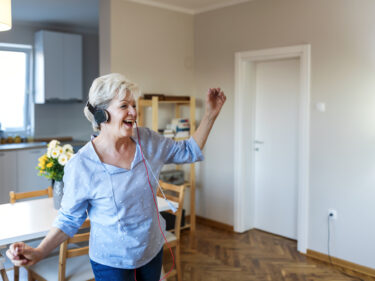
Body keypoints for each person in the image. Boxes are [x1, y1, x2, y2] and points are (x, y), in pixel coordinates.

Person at [6, 73, 226, 281]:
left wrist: (210, 115)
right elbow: (69, 219)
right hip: (111, 262)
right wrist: (39, 251)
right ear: (102, 115)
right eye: (124, 106)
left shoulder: (147, 140)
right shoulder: (82, 164)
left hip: (151, 251)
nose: (133, 111)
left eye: (134, 105)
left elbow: (188, 150)